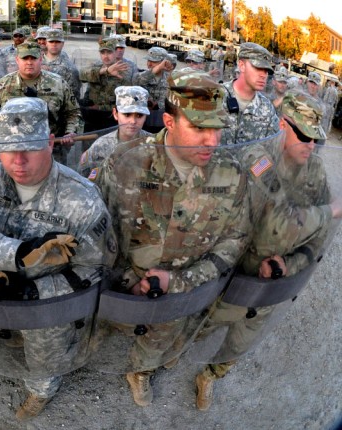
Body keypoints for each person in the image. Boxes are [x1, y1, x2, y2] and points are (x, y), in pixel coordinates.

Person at [0, 97, 116, 419]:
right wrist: (17, 253)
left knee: (43, 358)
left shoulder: (82, 199)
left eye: (29, 148)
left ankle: (41, 390)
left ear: (50, 143)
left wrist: (35, 293)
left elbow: (96, 269)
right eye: (7, 148)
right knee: (0, 340)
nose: (17, 160)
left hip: (48, 308)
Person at [93, 70, 250, 408]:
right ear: (168, 120)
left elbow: (234, 240)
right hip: (126, 291)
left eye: (217, 129)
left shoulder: (231, 173)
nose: (213, 141)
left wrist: (181, 281)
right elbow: (98, 232)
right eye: (199, 129)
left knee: (162, 343)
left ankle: (142, 371)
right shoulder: (125, 164)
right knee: (115, 328)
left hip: (186, 296)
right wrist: (125, 280)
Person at [194, 89, 342, 410]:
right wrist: (329, 211)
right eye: (303, 134)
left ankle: (210, 375)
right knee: (201, 324)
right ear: (282, 125)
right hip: (233, 275)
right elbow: (280, 219)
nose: (311, 144)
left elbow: (318, 240)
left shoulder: (315, 172)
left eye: (316, 137)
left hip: (269, 284)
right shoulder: (257, 160)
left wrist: (289, 263)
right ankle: (165, 359)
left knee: (243, 339)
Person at [0, 41, 83, 165]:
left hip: (50, 152)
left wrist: (70, 132)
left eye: (33, 58)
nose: (29, 62)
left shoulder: (58, 84)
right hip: (13, 155)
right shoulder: (3, 85)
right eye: (25, 58)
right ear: (17, 60)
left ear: (40, 59)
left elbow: (73, 112)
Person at [78, 86, 151, 176]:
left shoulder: (154, 144)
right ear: (115, 114)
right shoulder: (100, 146)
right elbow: (83, 178)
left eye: (139, 115)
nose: (133, 121)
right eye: (127, 115)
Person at [220, 42, 279, 145]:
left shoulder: (267, 109)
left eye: (266, 70)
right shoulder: (216, 96)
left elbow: (270, 151)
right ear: (242, 65)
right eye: (258, 68)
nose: (263, 75)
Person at [79, 38, 133, 132]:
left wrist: (99, 107)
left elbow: (125, 102)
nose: (105, 56)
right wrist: (105, 71)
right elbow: (81, 75)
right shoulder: (96, 67)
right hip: (91, 117)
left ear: (116, 53)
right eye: (102, 53)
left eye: (109, 52)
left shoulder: (123, 72)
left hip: (110, 118)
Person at [134, 46, 172, 132]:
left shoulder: (170, 79)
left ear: (164, 62)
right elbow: (137, 81)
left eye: (154, 61)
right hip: (143, 121)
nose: (149, 64)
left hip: (162, 122)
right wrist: (157, 68)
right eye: (148, 60)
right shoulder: (143, 76)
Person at [42, 29, 80, 99]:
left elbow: (73, 97)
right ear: (46, 43)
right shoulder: (35, 62)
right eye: (51, 41)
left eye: (58, 42)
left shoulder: (70, 69)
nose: (54, 44)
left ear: (62, 44)